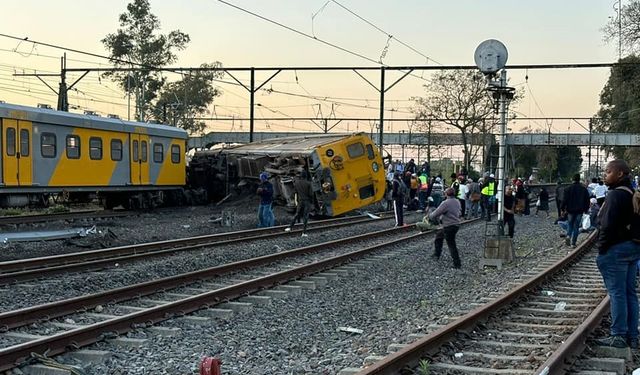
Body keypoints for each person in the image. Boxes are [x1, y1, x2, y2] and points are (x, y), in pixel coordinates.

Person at [594, 160, 640, 349]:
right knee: (630, 293)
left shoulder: (615, 195)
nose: (605, 175)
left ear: (620, 174)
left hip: (616, 250)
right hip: (632, 248)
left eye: (608, 171)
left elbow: (607, 226)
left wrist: (601, 249)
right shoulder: (632, 194)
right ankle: (633, 336)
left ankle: (618, 335)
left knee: (617, 293)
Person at [428, 188, 462, 268]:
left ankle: (457, 263)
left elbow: (436, 213)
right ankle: (437, 254)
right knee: (439, 236)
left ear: (446, 194)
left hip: (448, 225)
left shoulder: (446, 203)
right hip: (456, 224)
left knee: (451, 244)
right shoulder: (457, 201)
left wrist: (430, 215)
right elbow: (459, 212)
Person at [560, 174, 590, 247]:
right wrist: (586, 210)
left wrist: (562, 209)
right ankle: (573, 243)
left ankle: (568, 236)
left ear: (572, 179)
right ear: (579, 179)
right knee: (576, 226)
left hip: (570, 210)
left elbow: (564, 200)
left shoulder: (567, 189)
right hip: (579, 211)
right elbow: (587, 201)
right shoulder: (584, 189)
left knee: (570, 224)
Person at [284, 171, 313, 237]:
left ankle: (290, 227)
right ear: (306, 176)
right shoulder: (308, 183)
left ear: (301, 176)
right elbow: (311, 194)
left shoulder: (297, 183)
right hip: (307, 201)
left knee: (297, 214)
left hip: (300, 201)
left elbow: (294, 192)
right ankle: (304, 233)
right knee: (305, 217)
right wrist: (312, 202)